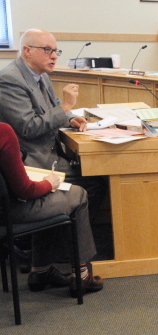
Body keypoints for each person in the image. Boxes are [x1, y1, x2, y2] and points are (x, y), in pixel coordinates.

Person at [0, 29, 108, 221]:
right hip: (32, 160)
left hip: (51, 152)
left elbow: (54, 107)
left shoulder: (41, 74)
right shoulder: (9, 80)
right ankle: (63, 241)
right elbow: (29, 127)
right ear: (27, 50)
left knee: (98, 177)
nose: (54, 56)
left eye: (56, 51)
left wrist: (71, 118)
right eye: (47, 50)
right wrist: (66, 106)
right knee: (94, 184)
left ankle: (67, 237)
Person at [0, 123, 104, 296]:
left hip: (6, 208)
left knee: (47, 197)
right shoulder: (3, 132)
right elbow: (26, 190)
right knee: (77, 194)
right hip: (12, 211)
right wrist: (48, 183)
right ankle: (81, 276)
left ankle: (40, 272)